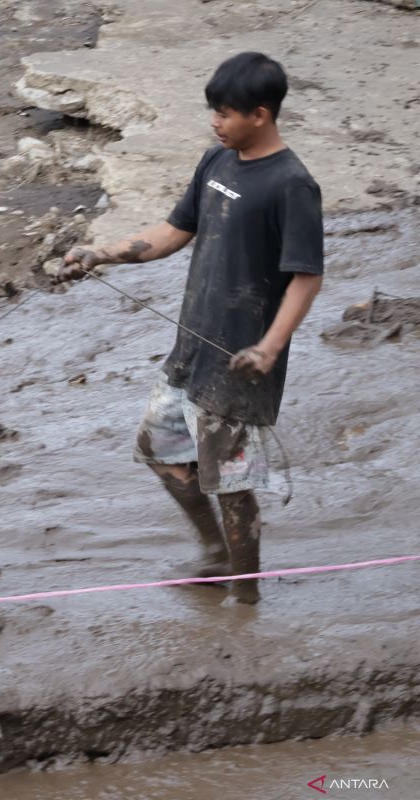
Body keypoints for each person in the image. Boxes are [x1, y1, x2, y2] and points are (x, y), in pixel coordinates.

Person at [59, 52, 324, 605]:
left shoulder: (292, 184)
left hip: (241, 361)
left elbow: (306, 278)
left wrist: (269, 348)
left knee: (231, 484)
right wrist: (99, 252)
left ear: (260, 114)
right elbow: (176, 230)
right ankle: (214, 555)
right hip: (191, 348)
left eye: (224, 113)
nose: (213, 122)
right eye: (212, 111)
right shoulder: (215, 163)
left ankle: (246, 599)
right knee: (159, 450)